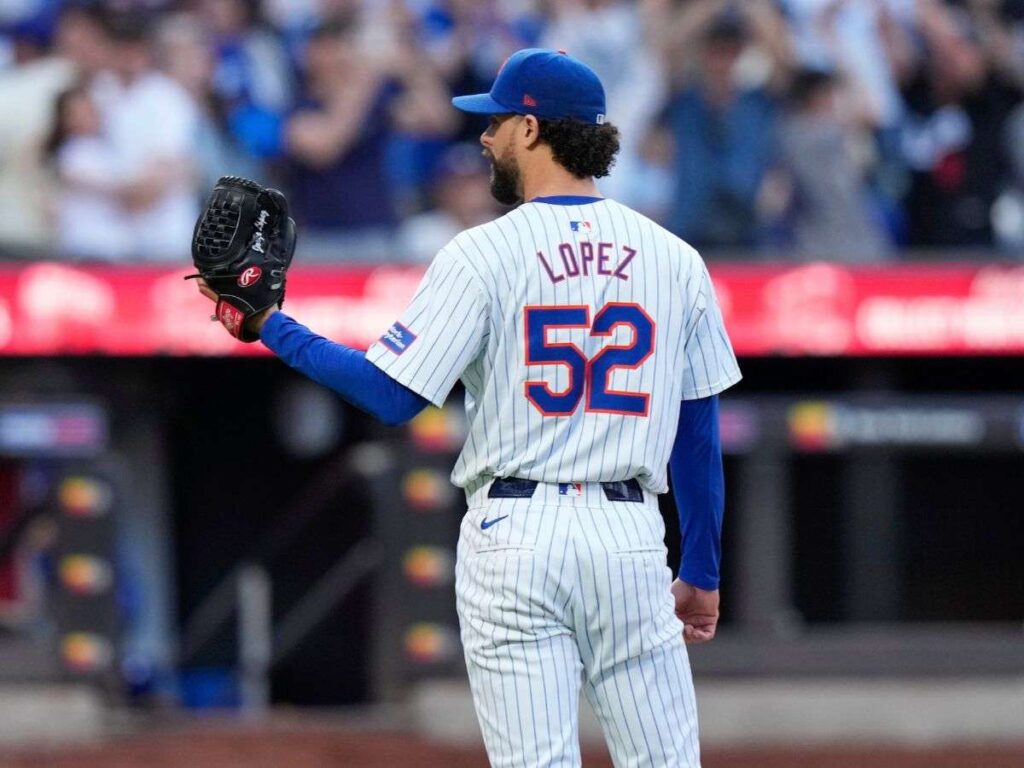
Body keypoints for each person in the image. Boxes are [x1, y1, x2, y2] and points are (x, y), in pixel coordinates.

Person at [198, 48, 740, 767]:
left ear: (530, 128)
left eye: (494, 122)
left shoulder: (482, 253)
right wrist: (700, 569)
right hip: (630, 537)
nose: (482, 137)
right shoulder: (675, 258)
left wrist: (270, 325)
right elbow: (696, 435)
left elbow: (391, 395)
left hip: (516, 532)